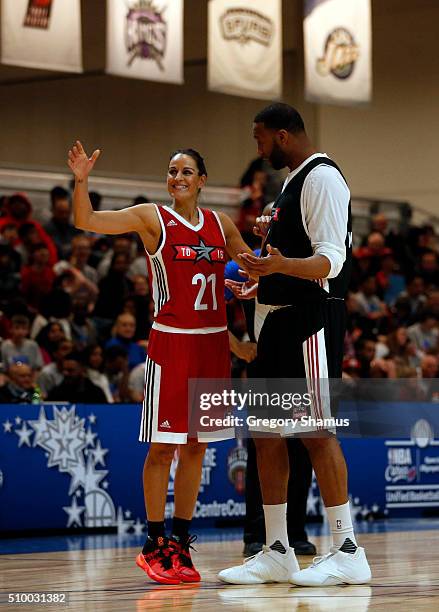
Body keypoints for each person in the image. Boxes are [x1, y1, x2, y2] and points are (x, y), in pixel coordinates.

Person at [68, 141, 252, 585]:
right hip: (171, 346)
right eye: (172, 171)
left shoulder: (221, 224)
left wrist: (242, 327)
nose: (178, 178)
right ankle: (153, 543)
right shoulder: (153, 218)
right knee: (163, 448)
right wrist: (81, 181)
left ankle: (181, 542)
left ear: (202, 180)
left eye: (187, 171)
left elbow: (252, 269)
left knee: (196, 449)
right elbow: (85, 220)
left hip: (211, 348)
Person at [219, 103, 371, 587]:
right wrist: (259, 282)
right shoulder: (290, 185)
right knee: (266, 435)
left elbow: (330, 263)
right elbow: (286, 260)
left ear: (283, 135)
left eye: (259, 137)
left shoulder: (322, 178)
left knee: (317, 432)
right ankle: (277, 549)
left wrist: (280, 266)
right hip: (276, 323)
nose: (257, 147)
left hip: (310, 323)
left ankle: (347, 549)